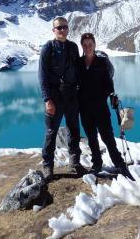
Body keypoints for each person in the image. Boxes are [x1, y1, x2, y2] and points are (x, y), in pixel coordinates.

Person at [78, 33, 134, 180]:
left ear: (94, 45)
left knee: (107, 137)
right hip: (84, 108)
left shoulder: (102, 62)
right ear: (82, 46)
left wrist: (111, 96)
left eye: (90, 44)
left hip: (100, 107)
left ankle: (119, 163)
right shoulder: (78, 63)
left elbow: (109, 85)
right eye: (85, 44)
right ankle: (97, 163)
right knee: (91, 137)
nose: (87, 47)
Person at [38, 16, 86, 180]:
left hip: (72, 96)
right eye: (59, 28)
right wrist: (47, 99)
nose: (63, 30)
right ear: (54, 30)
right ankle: (47, 166)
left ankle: (75, 163)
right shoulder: (48, 49)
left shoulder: (73, 47)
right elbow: (42, 76)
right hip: (55, 97)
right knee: (51, 133)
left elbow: (78, 71)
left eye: (65, 27)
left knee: (74, 131)